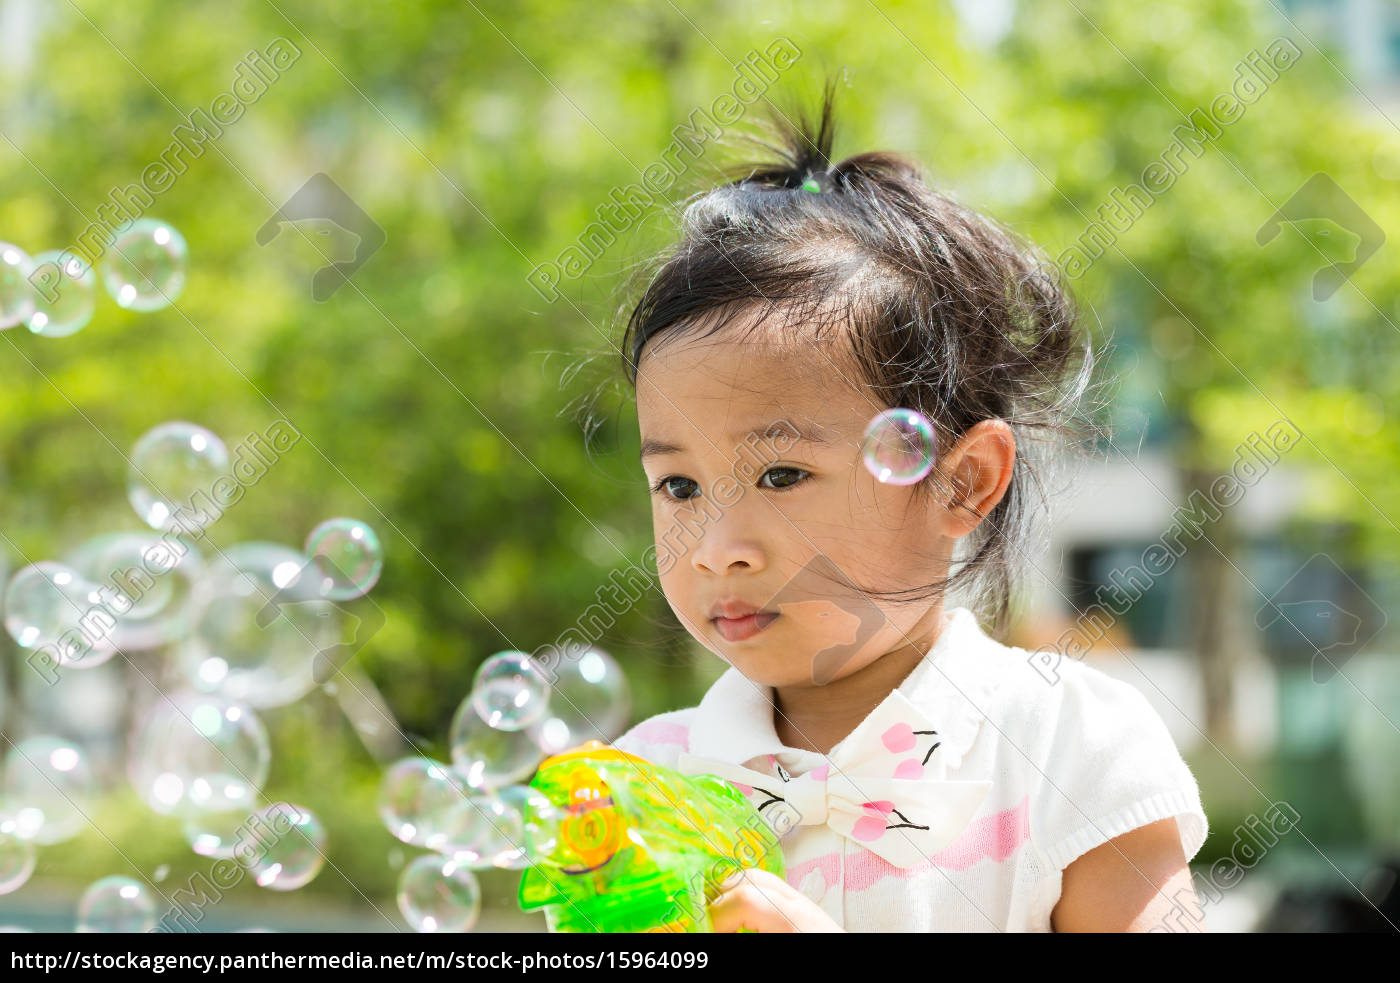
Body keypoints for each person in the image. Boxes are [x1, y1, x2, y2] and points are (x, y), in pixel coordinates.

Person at [609, 84, 1208, 933]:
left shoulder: (1072, 747)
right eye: (679, 486)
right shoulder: (644, 783)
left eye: (781, 475)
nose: (716, 548)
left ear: (962, 482)